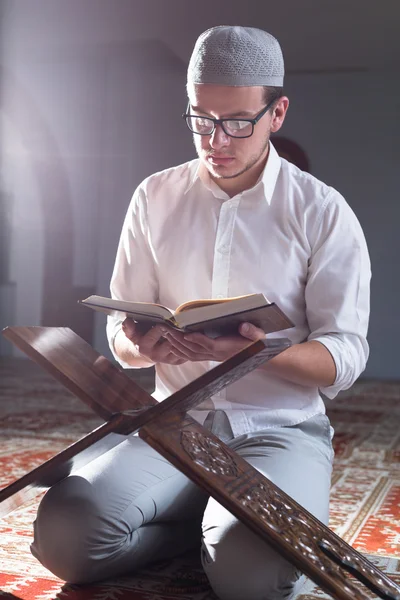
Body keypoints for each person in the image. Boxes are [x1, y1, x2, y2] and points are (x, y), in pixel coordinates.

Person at [31, 25, 371, 600]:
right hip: (173, 427)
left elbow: (347, 354)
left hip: (280, 431)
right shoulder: (153, 197)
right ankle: (200, 528)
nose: (218, 139)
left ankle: (224, 534)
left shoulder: (323, 212)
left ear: (277, 112)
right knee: (64, 538)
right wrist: (147, 345)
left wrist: (257, 354)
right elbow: (120, 332)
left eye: (238, 120)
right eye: (201, 119)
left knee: (251, 580)